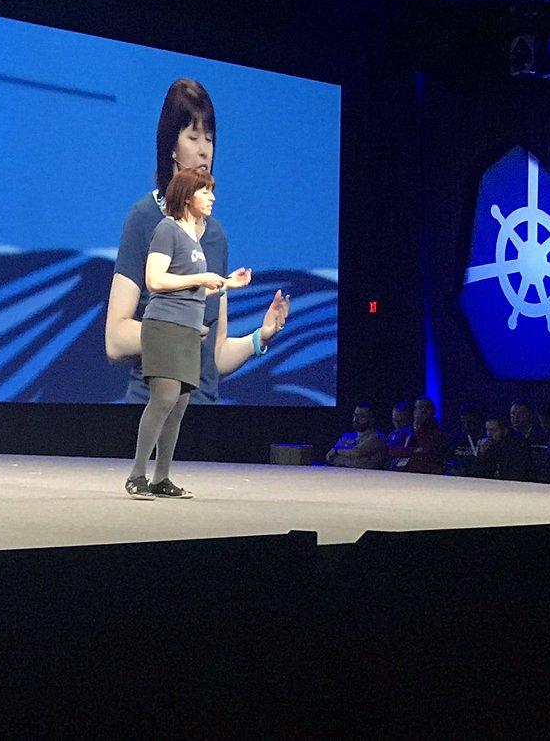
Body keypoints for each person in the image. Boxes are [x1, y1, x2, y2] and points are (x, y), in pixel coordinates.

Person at [123, 168, 287, 499]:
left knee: (179, 406)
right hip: (165, 327)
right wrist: (201, 278)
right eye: (205, 192)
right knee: (163, 399)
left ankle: (161, 478)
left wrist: (224, 284)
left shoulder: (193, 239)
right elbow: (155, 280)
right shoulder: (167, 230)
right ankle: (136, 476)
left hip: (187, 331)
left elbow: (190, 288)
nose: (212, 198)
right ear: (187, 197)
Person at [107, 77, 271, 405]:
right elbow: (115, 339)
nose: (203, 150)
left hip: (203, 413)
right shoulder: (144, 219)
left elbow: (215, 354)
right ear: (172, 146)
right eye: (193, 137)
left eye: (209, 139)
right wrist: (173, 332)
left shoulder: (216, 236)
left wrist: (259, 338)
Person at [326, 403, 389, 469]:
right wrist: (353, 459)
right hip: (338, 472)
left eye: (361, 416)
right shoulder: (347, 436)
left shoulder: (377, 437)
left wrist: (337, 451)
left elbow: (357, 454)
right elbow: (330, 458)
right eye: (355, 415)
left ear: (372, 419)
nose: (355, 419)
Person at [473, 413, 533, 482]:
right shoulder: (488, 445)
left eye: (494, 430)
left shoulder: (518, 443)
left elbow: (516, 472)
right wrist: (482, 454)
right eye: (487, 430)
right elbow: (478, 474)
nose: (489, 435)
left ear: (504, 430)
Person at [396, 396, 448, 474]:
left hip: (428, 472)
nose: (421, 411)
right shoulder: (407, 430)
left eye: (425, 408)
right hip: (406, 470)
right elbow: (393, 449)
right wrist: (413, 450)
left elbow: (427, 450)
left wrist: (418, 431)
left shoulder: (439, 432)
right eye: (418, 408)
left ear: (432, 411)